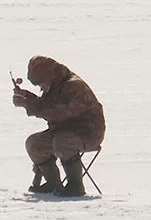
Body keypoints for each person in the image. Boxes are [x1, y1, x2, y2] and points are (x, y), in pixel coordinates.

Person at [12, 56, 105, 196]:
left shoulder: (75, 86)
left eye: (41, 83)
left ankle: (75, 186)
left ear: (49, 75)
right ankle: (53, 184)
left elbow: (60, 113)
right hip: (63, 132)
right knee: (34, 144)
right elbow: (47, 107)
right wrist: (27, 98)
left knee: (63, 141)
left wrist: (30, 106)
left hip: (89, 133)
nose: (41, 88)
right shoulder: (54, 86)